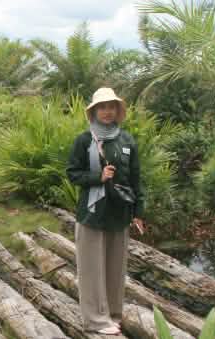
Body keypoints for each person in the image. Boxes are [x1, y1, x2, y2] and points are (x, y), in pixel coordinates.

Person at [66, 87, 145, 335]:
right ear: (94, 111)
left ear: (117, 111)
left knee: (115, 268)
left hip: (119, 213)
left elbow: (135, 179)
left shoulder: (127, 140)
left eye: (111, 107)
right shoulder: (84, 139)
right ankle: (95, 321)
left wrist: (138, 212)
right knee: (91, 270)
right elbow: (72, 173)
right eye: (102, 107)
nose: (107, 111)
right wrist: (97, 177)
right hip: (92, 214)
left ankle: (112, 314)